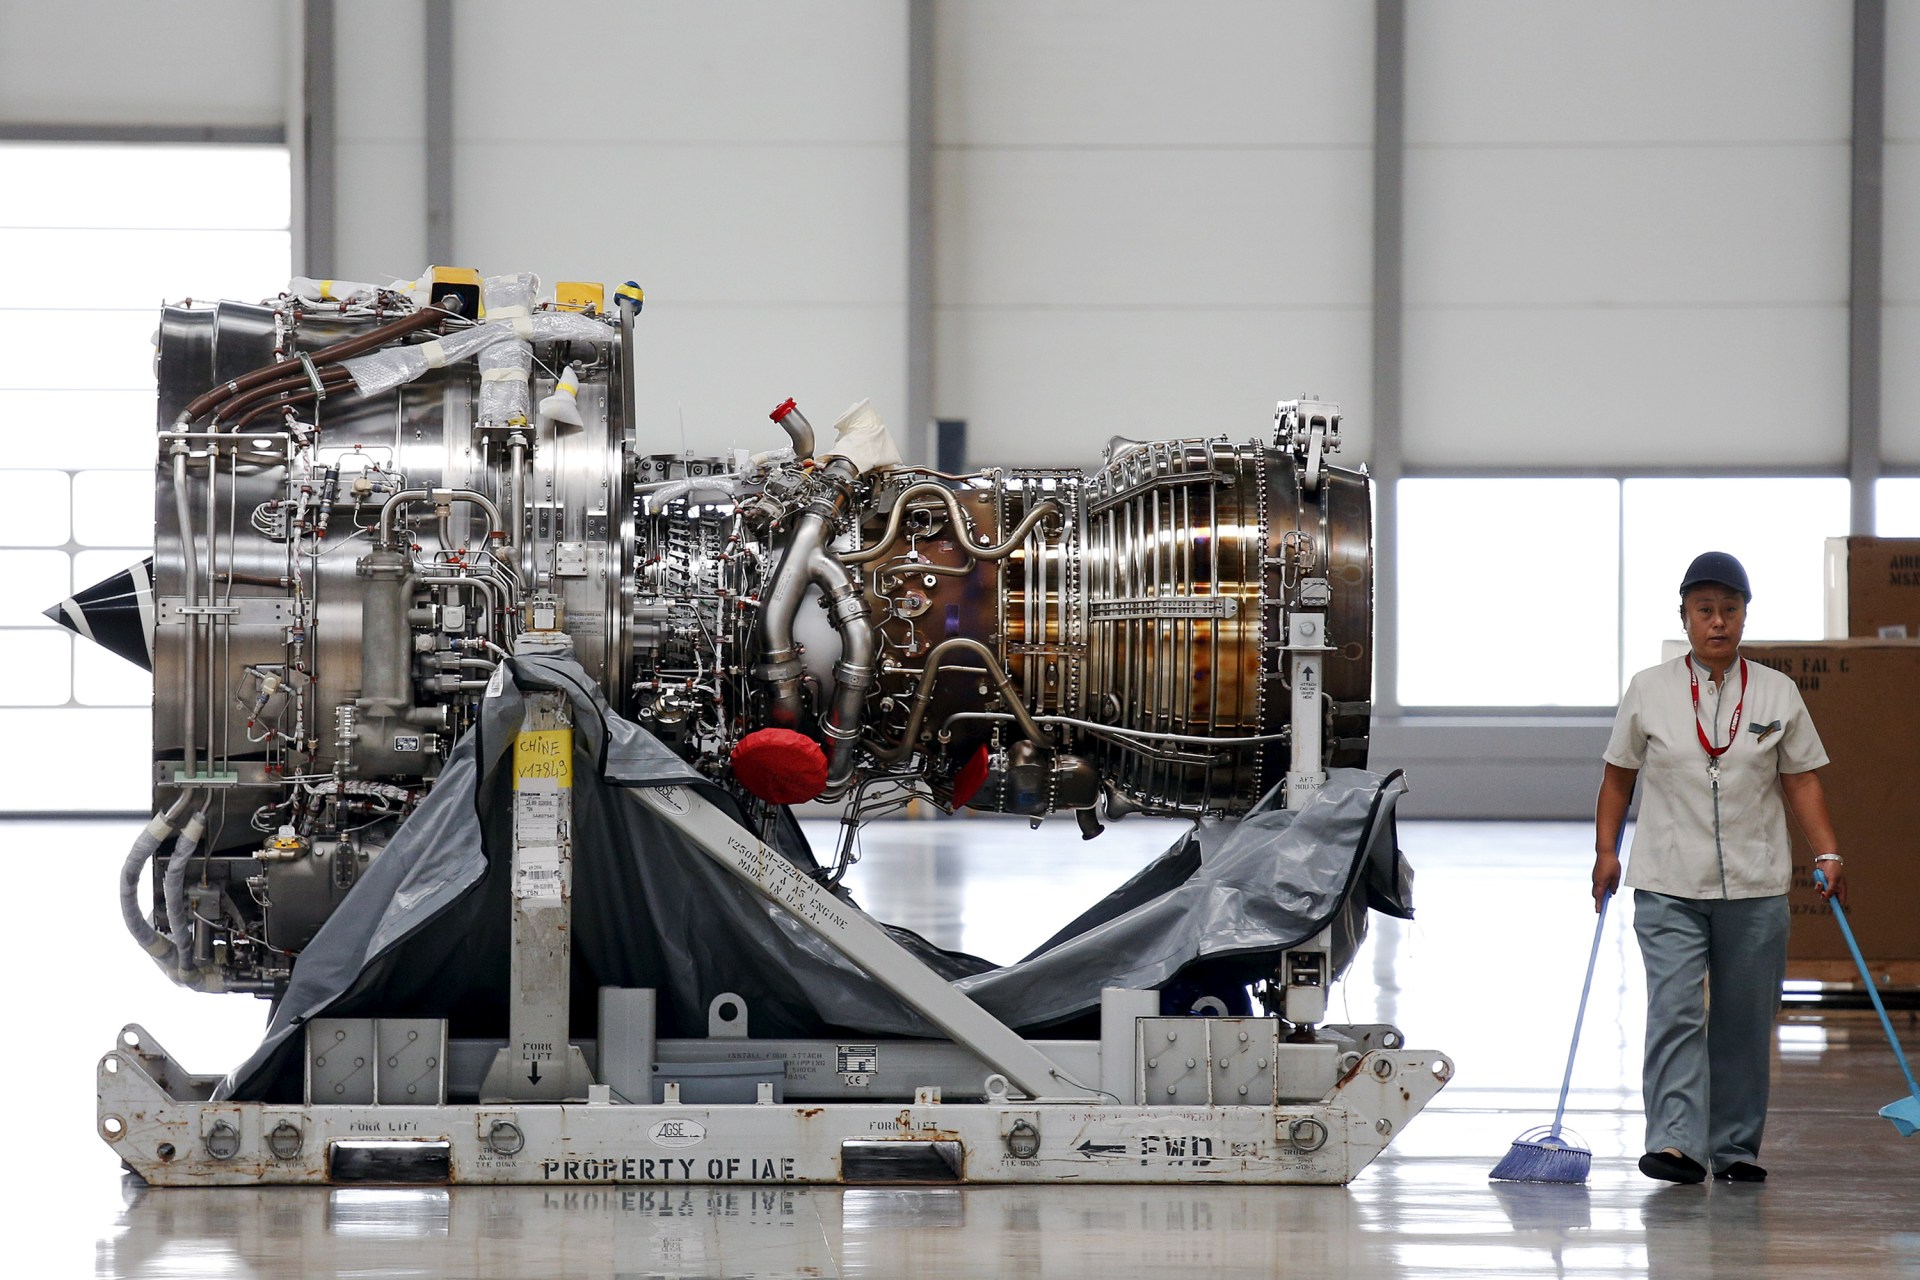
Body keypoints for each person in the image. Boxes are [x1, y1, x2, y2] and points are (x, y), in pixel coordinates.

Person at [1593, 551, 1845, 1185]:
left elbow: (1801, 779)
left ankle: (1734, 1147)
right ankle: (1675, 1144)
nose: (1718, 621)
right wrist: (1606, 851)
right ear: (1683, 617)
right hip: (1667, 880)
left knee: (1744, 1019)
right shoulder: (1649, 689)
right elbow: (1618, 777)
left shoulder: (1776, 691)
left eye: (1730, 609)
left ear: (1744, 616)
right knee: (1676, 1010)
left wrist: (1828, 853)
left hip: (1756, 885)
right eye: (1704, 610)